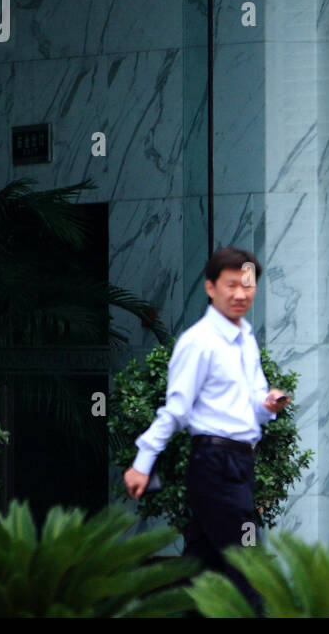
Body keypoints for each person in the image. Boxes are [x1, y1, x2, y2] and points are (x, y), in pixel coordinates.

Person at [123, 246, 288, 609]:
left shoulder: (246, 339)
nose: (241, 294)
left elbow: (253, 404)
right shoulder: (197, 343)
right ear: (210, 288)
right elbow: (176, 410)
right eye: (231, 285)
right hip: (214, 463)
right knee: (248, 567)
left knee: (203, 570)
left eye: (248, 285)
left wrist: (268, 404)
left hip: (239, 465)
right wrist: (143, 461)